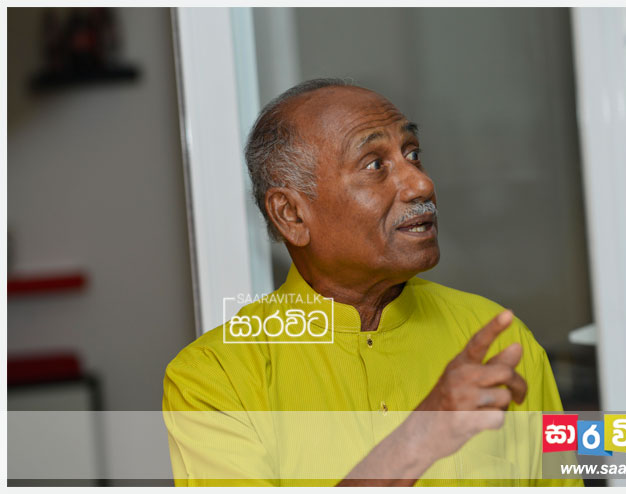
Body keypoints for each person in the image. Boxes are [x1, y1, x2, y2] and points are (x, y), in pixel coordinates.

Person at [162, 78, 582, 487]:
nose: (421, 184)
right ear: (291, 214)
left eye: (413, 154)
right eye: (375, 165)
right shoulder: (216, 378)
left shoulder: (502, 343)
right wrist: (420, 438)